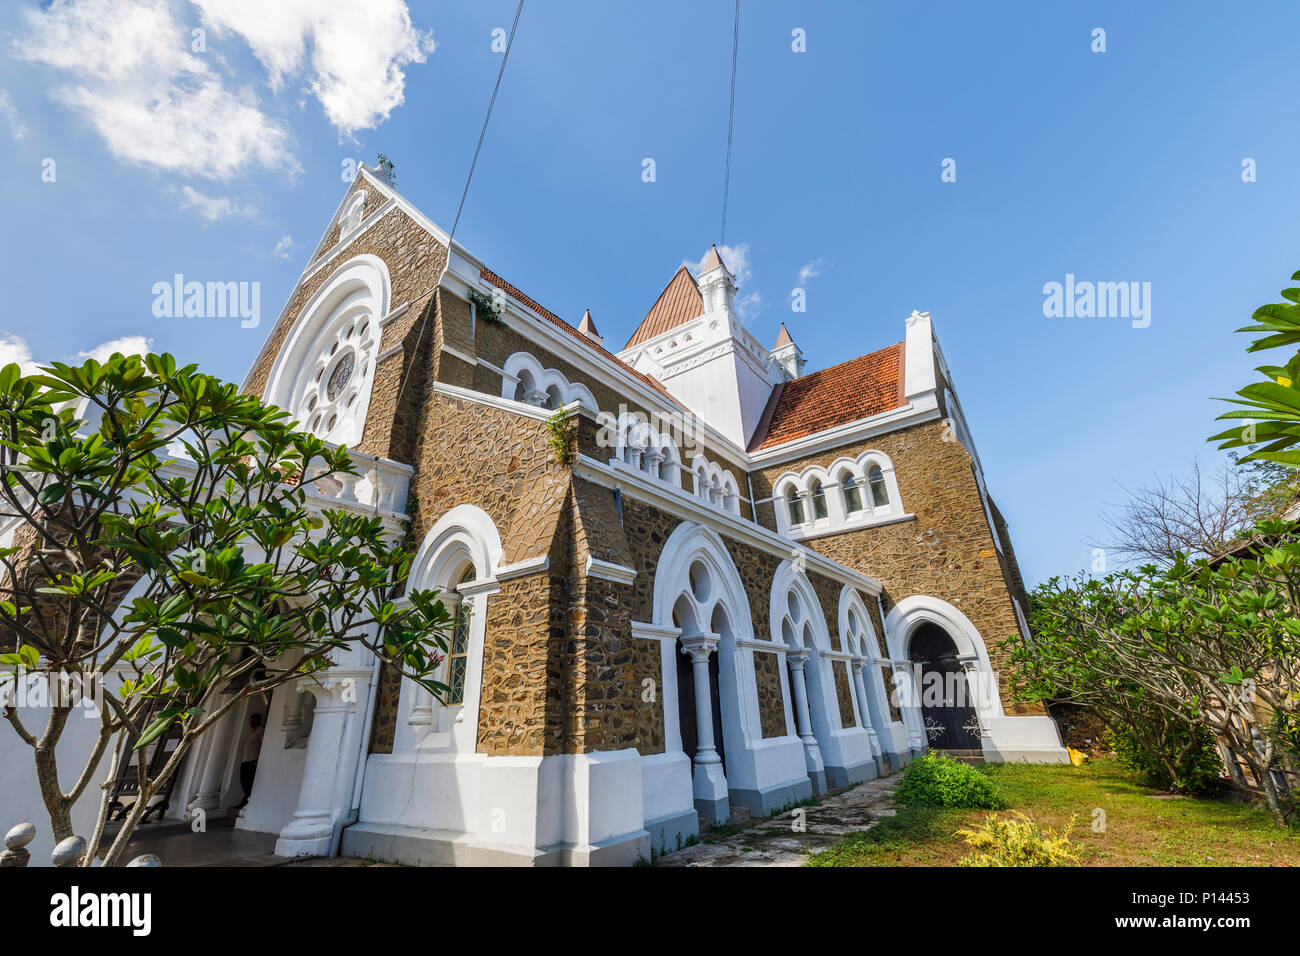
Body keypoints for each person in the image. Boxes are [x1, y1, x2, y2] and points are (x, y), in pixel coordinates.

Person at [236, 713, 264, 810]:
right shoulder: (252, 731)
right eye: (251, 721)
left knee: (248, 781)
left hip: (252, 760)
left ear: (258, 721)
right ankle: (245, 799)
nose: (251, 722)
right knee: (243, 780)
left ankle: (246, 801)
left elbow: (262, 744)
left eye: (253, 721)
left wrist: (258, 759)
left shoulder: (260, 730)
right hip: (245, 759)